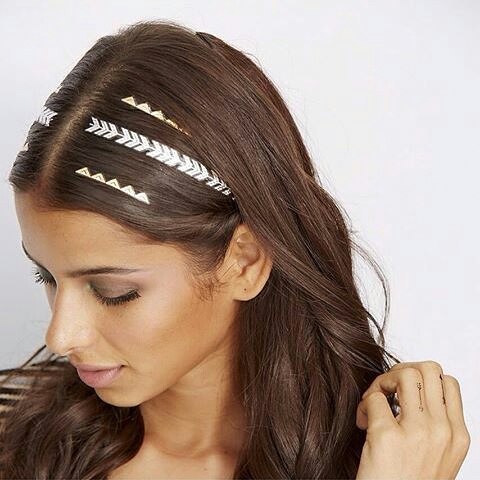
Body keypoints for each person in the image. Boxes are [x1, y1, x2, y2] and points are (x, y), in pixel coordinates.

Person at [0, 19, 470, 479]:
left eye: (112, 291)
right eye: (46, 276)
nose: (60, 336)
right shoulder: (13, 444)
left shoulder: (389, 460)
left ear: (244, 261)